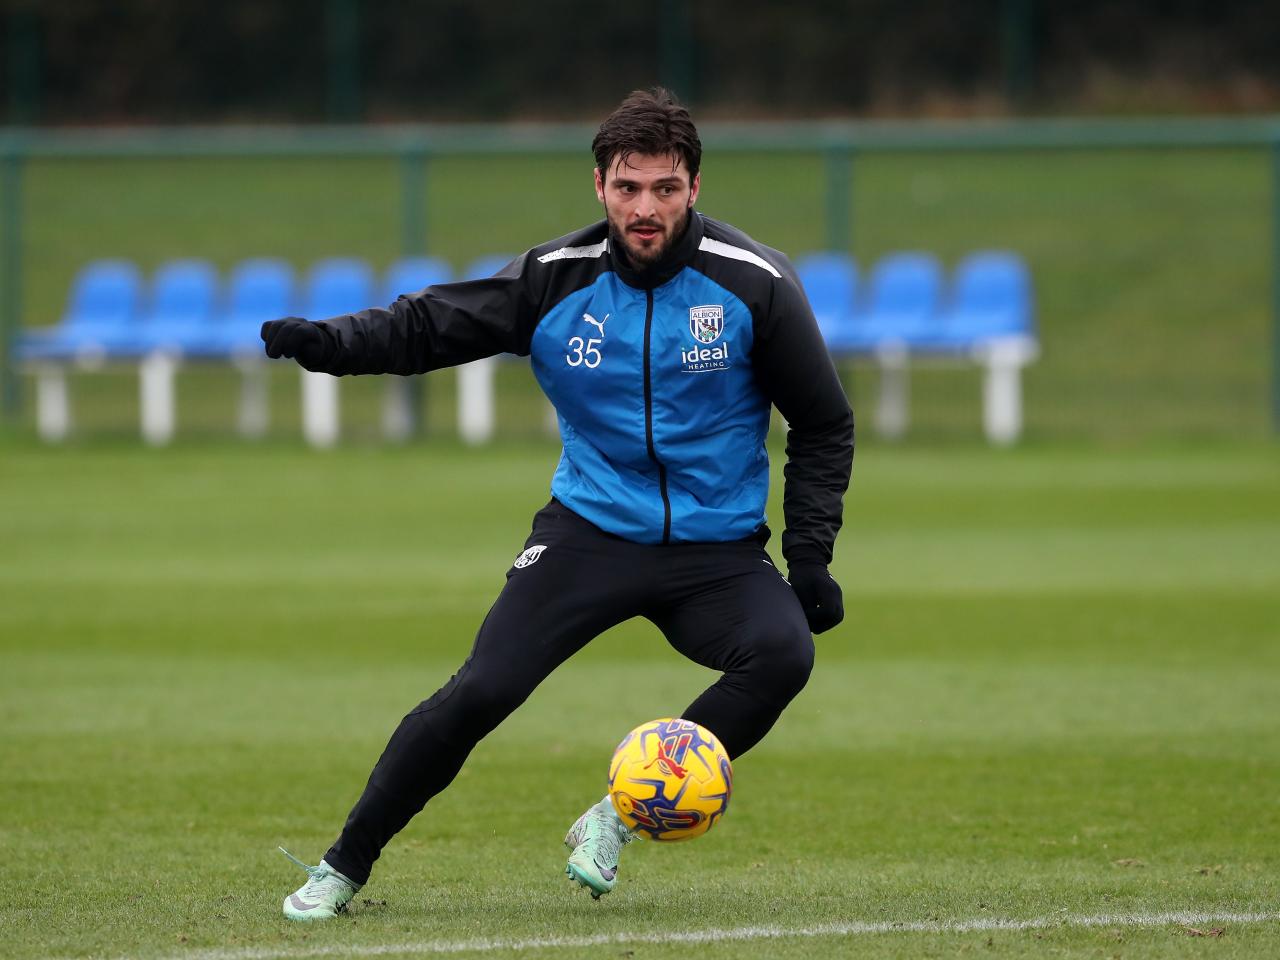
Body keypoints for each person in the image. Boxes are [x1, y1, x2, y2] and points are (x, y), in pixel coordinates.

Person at [265, 87, 853, 921]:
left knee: (783, 654)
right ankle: (341, 867)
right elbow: (431, 325)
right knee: (482, 691)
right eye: (628, 187)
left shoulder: (754, 284)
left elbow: (824, 422)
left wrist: (809, 556)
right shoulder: (554, 279)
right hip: (590, 533)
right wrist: (332, 344)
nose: (645, 209)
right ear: (599, 185)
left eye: (665, 188)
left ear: (694, 187)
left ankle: (619, 814)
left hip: (716, 549)